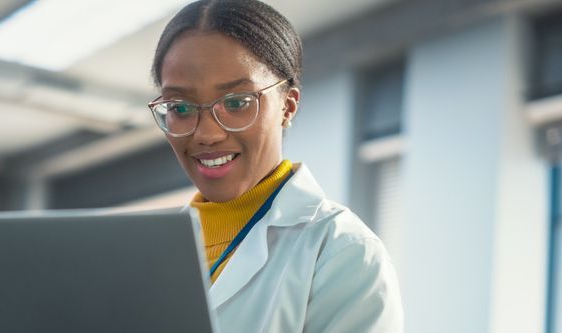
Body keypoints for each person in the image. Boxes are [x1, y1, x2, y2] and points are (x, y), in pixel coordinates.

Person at [147, 0, 404, 332]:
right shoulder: (147, 252)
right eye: (180, 108)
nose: (207, 134)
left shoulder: (343, 253)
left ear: (288, 106)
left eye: (237, 103)